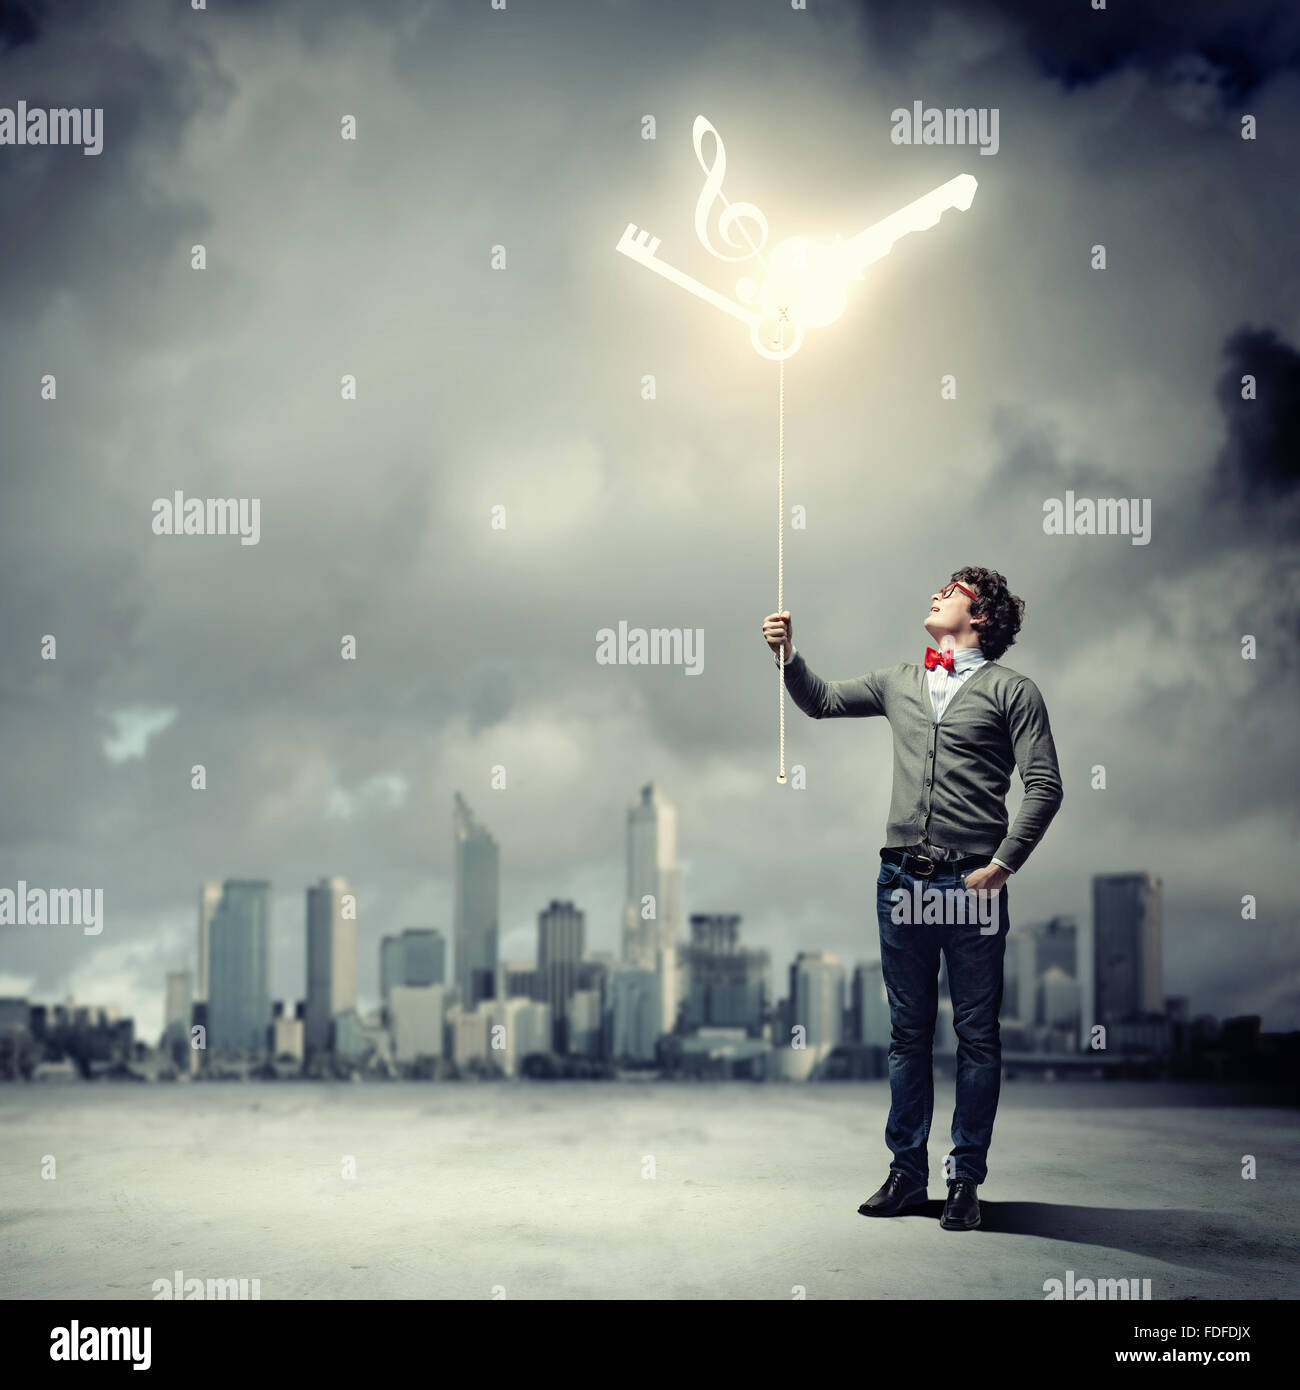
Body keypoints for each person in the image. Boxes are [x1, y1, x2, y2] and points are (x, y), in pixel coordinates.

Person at [761, 567, 1063, 1231]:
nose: (935, 593)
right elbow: (820, 701)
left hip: (971, 884)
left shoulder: (1014, 691)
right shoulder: (900, 680)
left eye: (950, 589)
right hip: (902, 879)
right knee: (907, 1035)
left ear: (979, 613)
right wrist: (789, 657)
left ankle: (964, 1182)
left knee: (977, 1039)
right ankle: (906, 1174)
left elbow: (1044, 787)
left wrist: (1004, 865)